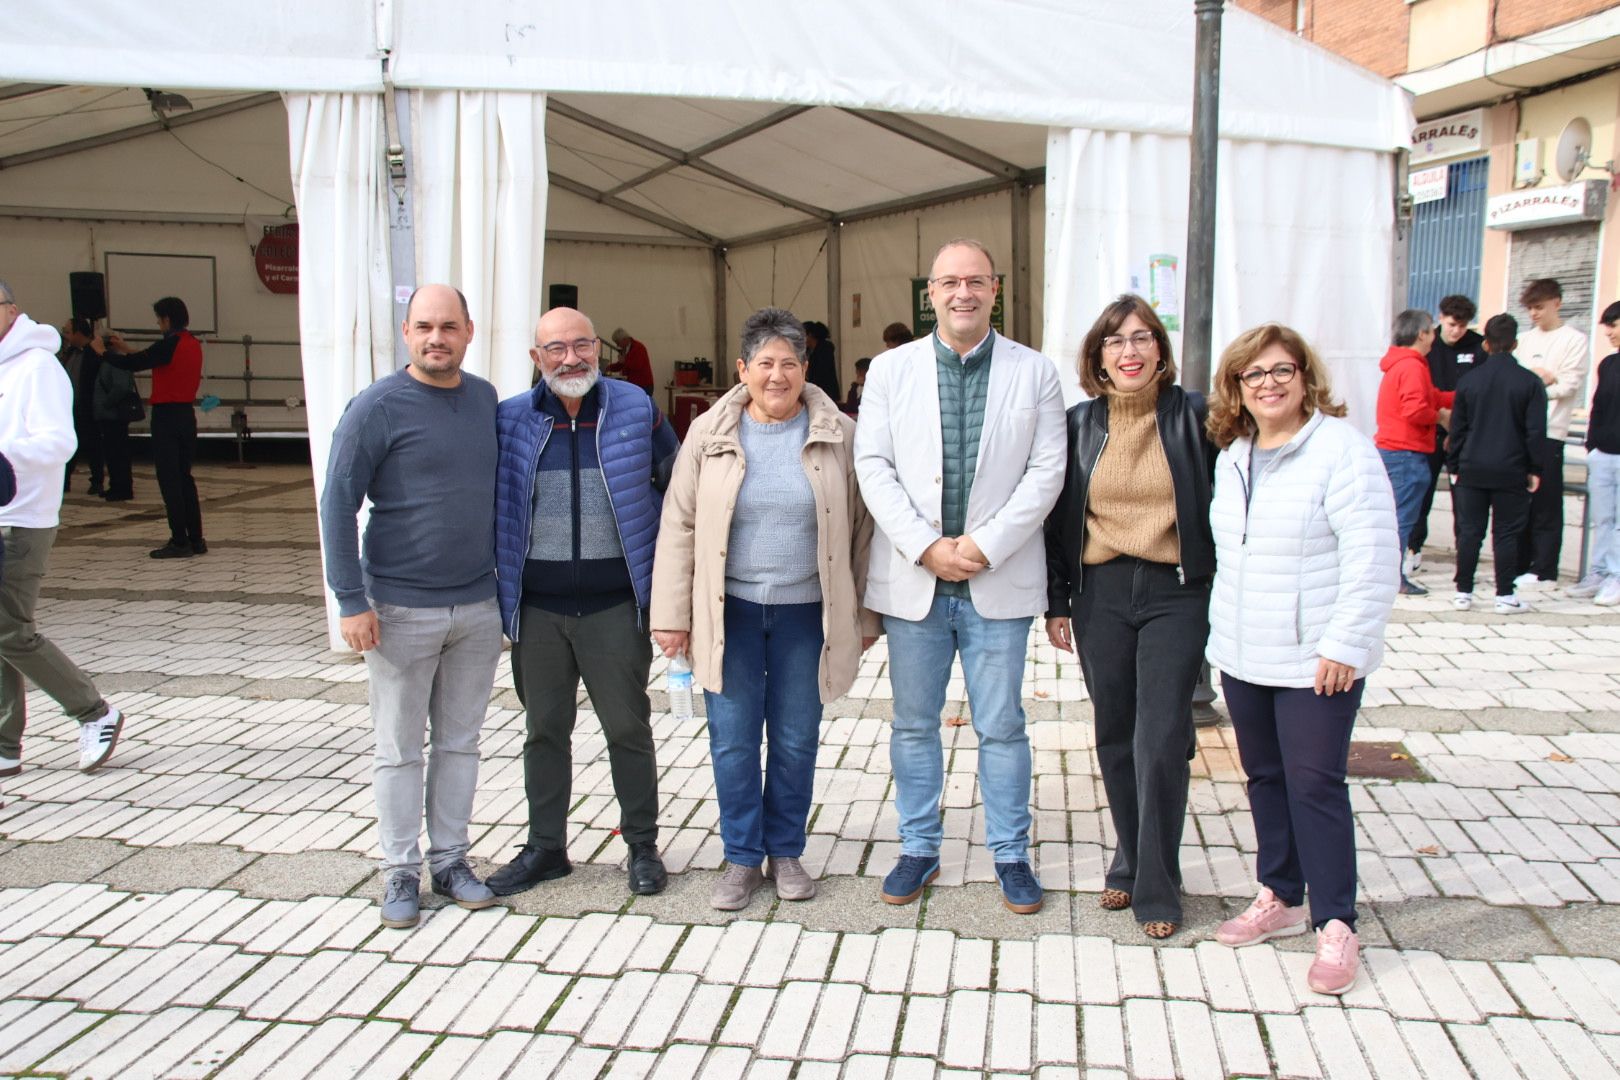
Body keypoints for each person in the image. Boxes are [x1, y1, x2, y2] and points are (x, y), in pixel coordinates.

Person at [854, 238, 1065, 915]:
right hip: (916, 585)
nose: (962, 293)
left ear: (995, 289)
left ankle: (1010, 853)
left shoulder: (1036, 373)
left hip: (994, 583)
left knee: (1002, 725)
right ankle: (918, 846)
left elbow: (1046, 473)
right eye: (949, 282)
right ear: (932, 294)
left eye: (975, 280)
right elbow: (873, 466)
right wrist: (924, 547)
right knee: (914, 725)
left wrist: (981, 545)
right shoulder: (890, 371)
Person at [651, 307, 878, 910]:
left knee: (798, 738)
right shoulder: (709, 433)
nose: (776, 376)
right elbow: (679, 524)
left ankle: (786, 851)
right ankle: (742, 858)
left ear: (806, 368)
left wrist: (864, 616)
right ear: (742, 368)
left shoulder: (840, 435)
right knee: (731, 739)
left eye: (789, 364)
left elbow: (861, 530)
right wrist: (671, 615)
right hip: (732, 614)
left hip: (810, 615)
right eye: (765, 364)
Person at [1204, 323, 1398, 997]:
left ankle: (1337, 922)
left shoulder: (1340, 450)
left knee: (1314, 784)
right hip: (1243, 651)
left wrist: (1346, 642)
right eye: (1253, 375)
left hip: (1317, 659)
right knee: (1263, 777)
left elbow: (1373, 554)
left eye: (1281, 370)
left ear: (1305, 376)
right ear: (1237, 387)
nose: (1268, 384)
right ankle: (1280, 895)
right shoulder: (1234, 454)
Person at [319, 284, 503, 929]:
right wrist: (351, 599)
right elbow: (337, 504)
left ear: (469, 331)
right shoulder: (377, 406)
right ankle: (399, 868)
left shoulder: (484, 401)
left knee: (460, 744)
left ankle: (451, 859)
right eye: (424, 326)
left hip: (478, 608)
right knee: (398, 749)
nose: (436, 338)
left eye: (448, 326)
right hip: (398, 610)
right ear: (405, 332)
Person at [487, 306, 678, 900]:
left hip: (615, 606)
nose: (571, 358)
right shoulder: (510, 420)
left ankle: (642, 845)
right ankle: (546, 847)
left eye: (582, 345)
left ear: (599, 347)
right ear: (536, 358)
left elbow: (679, 490)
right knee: (544, 730)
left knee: (628, 726)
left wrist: (677, 592)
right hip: (538, 610)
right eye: (556, 348)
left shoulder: (636, 409)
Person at [1043, 295, 1214, 940]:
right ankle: (1129, 857)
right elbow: (1058, 522)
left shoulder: (1195, 416)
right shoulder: (1078, 424)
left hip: (1176, 589)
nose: (1130, 351)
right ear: (1098, 357)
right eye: (1116, 341)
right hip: (1101, 591)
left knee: (1162, 734)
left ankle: (1157, 883)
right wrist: (1059, 600)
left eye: (1143, 339)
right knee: (1115, 730)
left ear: (1161, 352)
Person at [0, 279, 128, 779]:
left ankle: (95, 712)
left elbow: (59, 442)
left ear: (11, 308)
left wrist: (6, 458)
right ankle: (7, 744)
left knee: (11, 631)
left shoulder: (37, 368)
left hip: (23, 520)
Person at [1445, 314, 1547, 614]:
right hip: (1511, 468)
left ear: (1485, 343)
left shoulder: (1469, 381)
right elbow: (1535, 432)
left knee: (1469, 532)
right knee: (1506, 533)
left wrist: (1454, 465)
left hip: (1471, 467)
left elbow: (1458, 429)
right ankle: (1504, 594)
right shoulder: (1530, 382)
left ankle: (1463, 591)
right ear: (1515, 344)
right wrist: (1535, 468)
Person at [104, 297, 205, 558]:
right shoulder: (192, 343)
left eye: (159, 319)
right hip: (186, 414)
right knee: (184, 478)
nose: (158, 323)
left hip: (167, 417)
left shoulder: (169, 344)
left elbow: (135, 364)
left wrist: (102, 353)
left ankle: (179, 541)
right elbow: (150, 357)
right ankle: (196, 539)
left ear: (167, 320)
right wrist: (125, 347)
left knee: (169, 479)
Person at [1374, 309, 1452, 596]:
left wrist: (1464, 393)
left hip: (1397, 451)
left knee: (1396, 517)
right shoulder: (1412, 367)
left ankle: (1388, 575)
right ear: (1422, 334)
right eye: (1432, 330)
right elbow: (1416, 408)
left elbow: (1430, 396)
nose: (1435, 336)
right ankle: (1392, 578)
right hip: (1406, 453)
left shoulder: (1403, 365)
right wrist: (1441, 417)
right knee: (1402, 519)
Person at [1515, 278, 1587, 584]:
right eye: (1530, 308)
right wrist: (1540, 380)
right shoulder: (1524, 339)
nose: (1534, 313)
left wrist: (1540, 383)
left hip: (1550, 433)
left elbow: (1570, 383)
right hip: (1518, 432)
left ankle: (1543, 568)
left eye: (1539, 307)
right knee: (1518, 502)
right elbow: (1516, 382)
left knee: (1546, 503)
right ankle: (1519, 564)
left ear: (1557, 303)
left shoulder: (1574, 340)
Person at [1408, 294, 1484, 572]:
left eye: (1462, 326)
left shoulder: (1477, 346)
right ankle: (1414, 549)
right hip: (1429, 431)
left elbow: (1480, 391)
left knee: (1463, 497)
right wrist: (1439, 417)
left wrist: (1459, 424)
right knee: (1422, 493)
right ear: (1440, 318)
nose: (1456, 331)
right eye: (1452, 324)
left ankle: (1464, 555)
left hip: (1463, 435)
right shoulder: (1426, 344)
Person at [1571, 302, 1620, 606]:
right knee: (1602, 519)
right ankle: (1599, 572)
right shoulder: (1608, 364)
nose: (1610, 333)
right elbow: (1597, 407)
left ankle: (1616, 576)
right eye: (1607, 326)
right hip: (1603, 454)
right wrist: (1592, 446)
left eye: (1614, 326)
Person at [58, 318, 103, 496]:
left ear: (78, 333)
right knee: (68, 446)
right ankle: (64, 480)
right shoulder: (69, 353)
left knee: (93, 446)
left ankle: (97, 481)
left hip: (87, 407)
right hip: (69, 408)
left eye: (68, 331)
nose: (66, 336)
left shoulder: (94, 353)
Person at [92, 340, 140, 502]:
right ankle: (116, 485)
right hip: (110, 415)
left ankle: (122, 487)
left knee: (118, 453)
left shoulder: (115, 362)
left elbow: (120, 387)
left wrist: (106, 404)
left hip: (114, 416)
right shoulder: (111, 361)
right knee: (113, 453)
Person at [803, 320, 841, 403]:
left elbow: (823, 371)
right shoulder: (807, 351)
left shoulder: (825, 347)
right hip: (814, 390)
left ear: (809, 335)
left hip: (826, 391)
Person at [607, 328, 655, 393]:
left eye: (618, 342)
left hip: (643, 385)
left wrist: (624, 361)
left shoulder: (638, 347)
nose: (617, 345)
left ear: (624, 339)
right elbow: (621, 365)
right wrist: (607, 367)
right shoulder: (627, 349)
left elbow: (637, 365)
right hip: (635, 385)